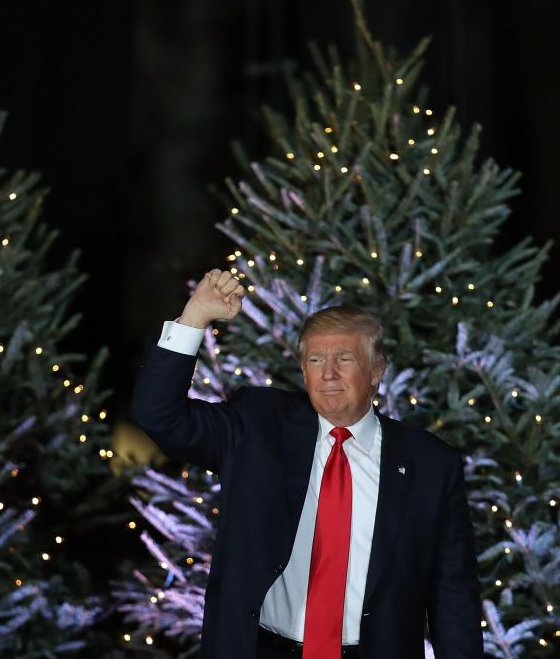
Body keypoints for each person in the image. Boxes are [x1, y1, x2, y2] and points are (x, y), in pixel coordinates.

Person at [130, 269, 483, 659]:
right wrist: (195, 317)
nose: (328, 373)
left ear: (376, 372)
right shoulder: (256, 426)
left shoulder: (431, 464)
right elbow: (158, 414)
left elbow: (454, 595)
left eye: (344, 358)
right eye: (315, 359)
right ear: (303, 370)